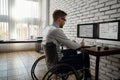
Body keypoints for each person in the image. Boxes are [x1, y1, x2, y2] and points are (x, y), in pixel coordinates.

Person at [42, 10, 91, 79]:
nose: (65, 22)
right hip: (58, 63)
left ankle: (81, 71)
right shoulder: (56, 30)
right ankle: (87, 75)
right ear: (59, 19)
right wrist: (80, 45)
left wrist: (70, 42)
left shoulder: (48, 28)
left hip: (50, 61)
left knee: (72, 51)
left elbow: (60, 42)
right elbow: (70, 45)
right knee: (85, 54)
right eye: (64, 20)